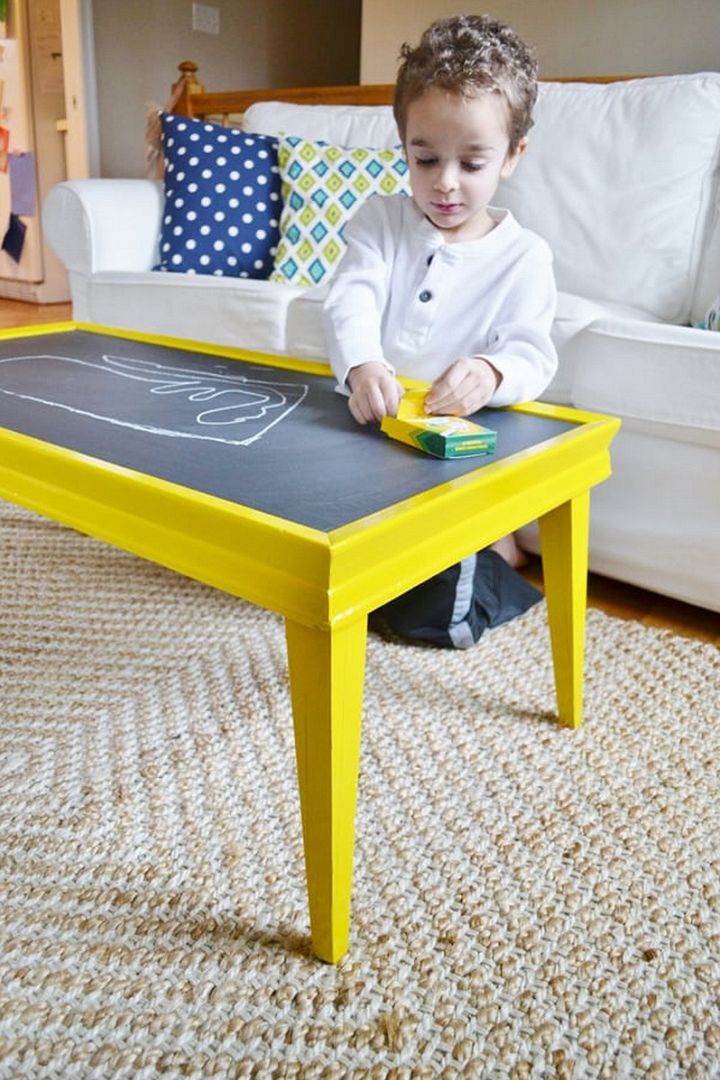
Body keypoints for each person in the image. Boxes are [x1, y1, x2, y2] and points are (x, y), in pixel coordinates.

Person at [323, 14, 557, 649]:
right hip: (378, 420)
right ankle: (482, 536)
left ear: (512, 156)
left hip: (462, 433)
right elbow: (351, 300)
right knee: (330, 547)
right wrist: (363, 364)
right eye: (424, 158)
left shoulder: (524, 255)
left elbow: (532, 352)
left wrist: (490, 372)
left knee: (430, 596)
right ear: (403, 144)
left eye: (471, 162)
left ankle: (493, 538)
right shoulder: (380, 221)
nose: (445, 182)